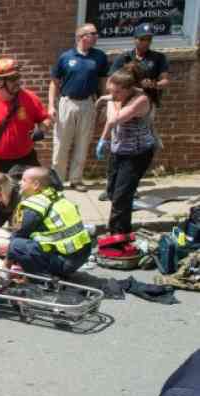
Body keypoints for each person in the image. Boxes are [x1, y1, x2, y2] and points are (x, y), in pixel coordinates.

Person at [0, 58, 50, 199]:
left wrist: (41, 129)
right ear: (0, 82)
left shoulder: (29, 98)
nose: (17, 81)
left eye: (18, 77)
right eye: (12, 79)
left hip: (24, 158)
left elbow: (46, 119)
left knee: (41, 191)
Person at [49, 23, 109, 192]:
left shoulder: (100, 57)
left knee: (83, 143)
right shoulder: (66, 57)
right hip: (67, 103)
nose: (96, 36)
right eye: (93, 33)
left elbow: (103, 82)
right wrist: (50, 106)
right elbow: (54, 83)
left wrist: (104, 104)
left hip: (88, 103)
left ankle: (76, 179)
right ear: (81, 37)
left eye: (96, 33)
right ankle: (57, 181)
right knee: (61, 144)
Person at [96, 67, 156, 236]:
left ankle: (119, 235)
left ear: (128, 89)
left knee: (122, 196)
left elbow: (114, 119)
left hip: (137, 155)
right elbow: (110, 120)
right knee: (112, 192)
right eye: (110, 91)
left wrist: (108, 100)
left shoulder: (141, 100)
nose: (112, 95)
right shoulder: (120, 96)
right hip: (119, 151)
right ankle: (120, 225)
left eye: (115, 92)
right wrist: (104, 139)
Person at [6, 167, 91, 277]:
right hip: (80, 257)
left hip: (64, 262)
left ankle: (40, 279)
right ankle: (55, 270)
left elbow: (19, 235)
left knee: (15, 245)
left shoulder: (35, 205)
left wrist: (6, 266)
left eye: (23, 180)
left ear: (36, 185)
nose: (19, 183)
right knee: (28, 241)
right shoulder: (56, 196)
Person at [108, 23, 170, 107]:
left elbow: (165, 81)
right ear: (134, 39)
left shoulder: (159, 57)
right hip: (124, 101)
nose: (145, 42)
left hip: (147, 102)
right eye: (142, 39)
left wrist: (153, 84)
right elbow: (110, 81)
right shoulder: (124, 57)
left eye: (149, 39)